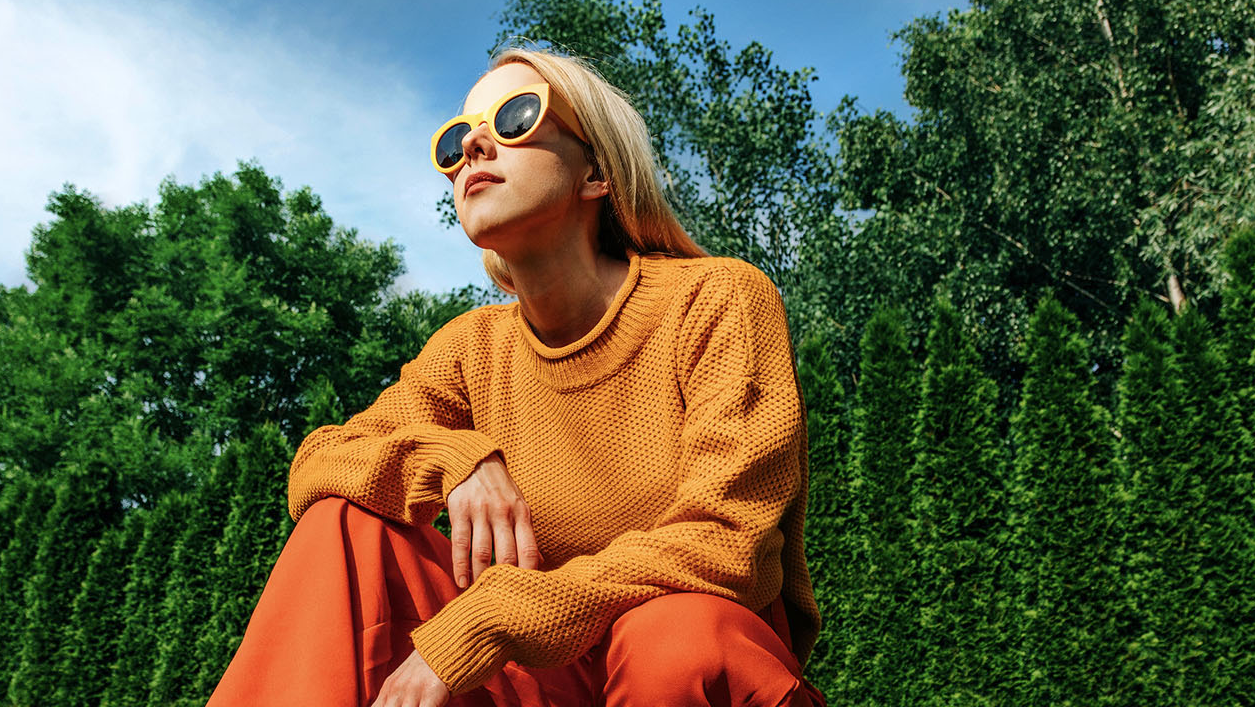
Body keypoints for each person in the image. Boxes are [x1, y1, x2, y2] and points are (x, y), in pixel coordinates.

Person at [205, 47, 825, 706]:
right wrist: (458, 460)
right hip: (545, 686)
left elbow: (725, 544)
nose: (473, 143)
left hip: (696, 672)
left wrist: (489, 618)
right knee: (343, 523)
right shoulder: (472, 348)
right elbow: (318, 464)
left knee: (677, 633)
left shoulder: (717, 299)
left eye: (515, 116)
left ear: (596, 171)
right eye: (454, 139)